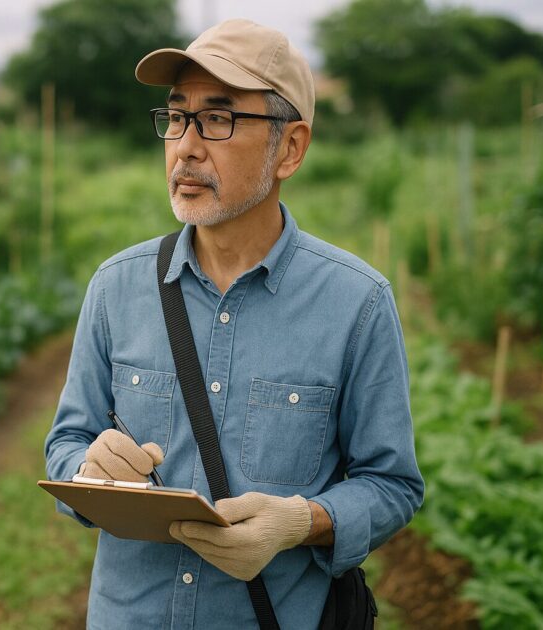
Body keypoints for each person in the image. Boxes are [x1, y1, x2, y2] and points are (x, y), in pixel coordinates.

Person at [44, 19, 424, 629]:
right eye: (176, 117)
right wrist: (89, 469)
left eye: (218, 120)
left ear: (290, 148)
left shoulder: (357, 303)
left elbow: (392, 485)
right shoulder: (117, 286)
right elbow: (65, 444)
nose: (186, 146)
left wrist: (301, 522)